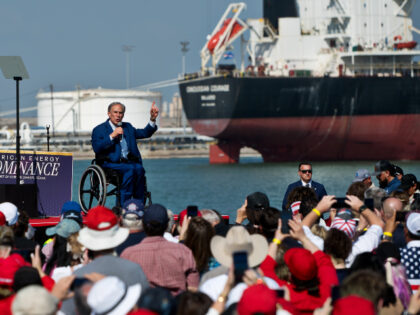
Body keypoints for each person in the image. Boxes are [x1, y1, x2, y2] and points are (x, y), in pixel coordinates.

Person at [121, 204, 199, 295]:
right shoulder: (184, 252)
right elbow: (193, 289)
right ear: (167, 226)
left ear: (143, 225)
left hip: (142, 305)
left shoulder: (129, 254)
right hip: (176, 305)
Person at [91, 101, 159, 204]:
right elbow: (97, 148)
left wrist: (152, 119)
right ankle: (124, 205)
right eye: (115, 112)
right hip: (110, 164)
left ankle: (138, 204)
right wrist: (112, 135)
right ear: (109, 114)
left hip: (128, 162)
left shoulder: (128, 127)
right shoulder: (99, 129)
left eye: (121, 113)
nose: (118, 115)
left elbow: (145, 133)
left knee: (139, 169)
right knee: (130, 169)